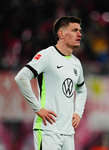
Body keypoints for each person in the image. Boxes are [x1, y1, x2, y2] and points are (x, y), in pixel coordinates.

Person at [15, 16, 87, 150]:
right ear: (62, 34)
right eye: (75, 30)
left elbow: (82, 90)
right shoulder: (46, 56)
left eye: (80, 30)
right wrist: (37, 108)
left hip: (68, 133)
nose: (80, 34)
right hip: (48, 130)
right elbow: (21, 77)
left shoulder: (76, 63)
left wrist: (78, 112)